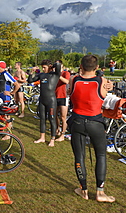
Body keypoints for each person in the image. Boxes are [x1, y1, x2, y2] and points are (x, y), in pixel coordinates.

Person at [67, 54, 115, 203]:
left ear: (81, 66)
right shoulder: (102, 81)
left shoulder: (73, 80)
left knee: (79, 156)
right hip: (95, 123)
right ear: (97, 68)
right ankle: (100, 192)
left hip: (77, 122)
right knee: (100, 155)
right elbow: (105, 92)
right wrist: (110, 84)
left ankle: (84, 190)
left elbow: (70, 91)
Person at [28, 60, 61, 147]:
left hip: (51, 100)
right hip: (42, 100)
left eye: (44, 67)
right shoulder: (42, 75)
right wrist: (32, 72)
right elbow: (30, 80)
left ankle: (52, 139)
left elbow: (58, 65)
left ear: (49, 66)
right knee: (42, 119)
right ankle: (42, 137)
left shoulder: (55, 74)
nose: (43, 69)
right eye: (42, 67)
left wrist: (51, 66)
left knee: (52, 119)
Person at [55, 60, 71, 142]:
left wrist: (58, 75)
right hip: (55, 96)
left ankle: (63, 134)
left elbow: (67, 81)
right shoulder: (54, 73)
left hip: (63, 96)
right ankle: (57, 129)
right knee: (54, 115)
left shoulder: (65, 73)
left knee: (63, 116)